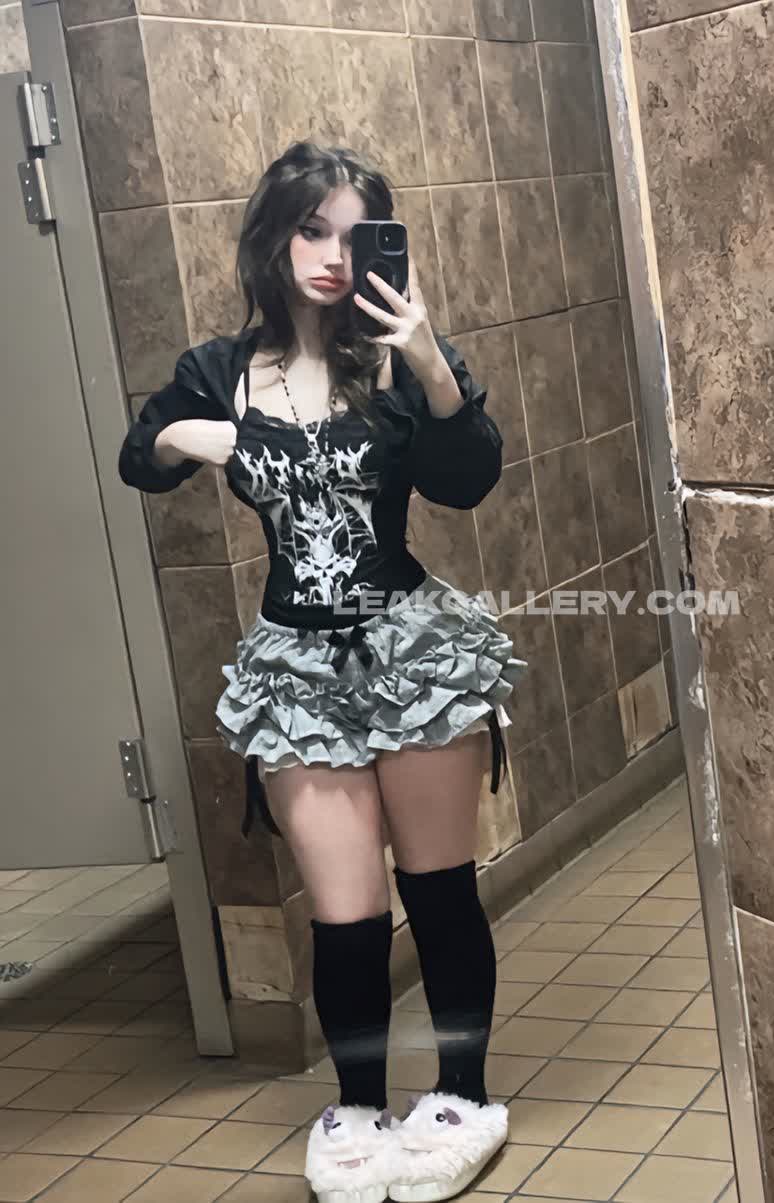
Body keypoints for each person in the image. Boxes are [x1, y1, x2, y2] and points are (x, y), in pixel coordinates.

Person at [118, 141, 527, 1203]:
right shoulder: (221, 368)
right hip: (296, 669)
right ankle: (356, 1107)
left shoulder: (396, 356)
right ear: (273, 237)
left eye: (354, 234)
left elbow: (468, 477)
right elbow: (139, 456)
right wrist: (196, 435)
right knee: (345, 913)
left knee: (438, 890)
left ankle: (462, 1095)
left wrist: (428, 357)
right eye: (312, 230)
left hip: (412, 653)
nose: (334, 255)